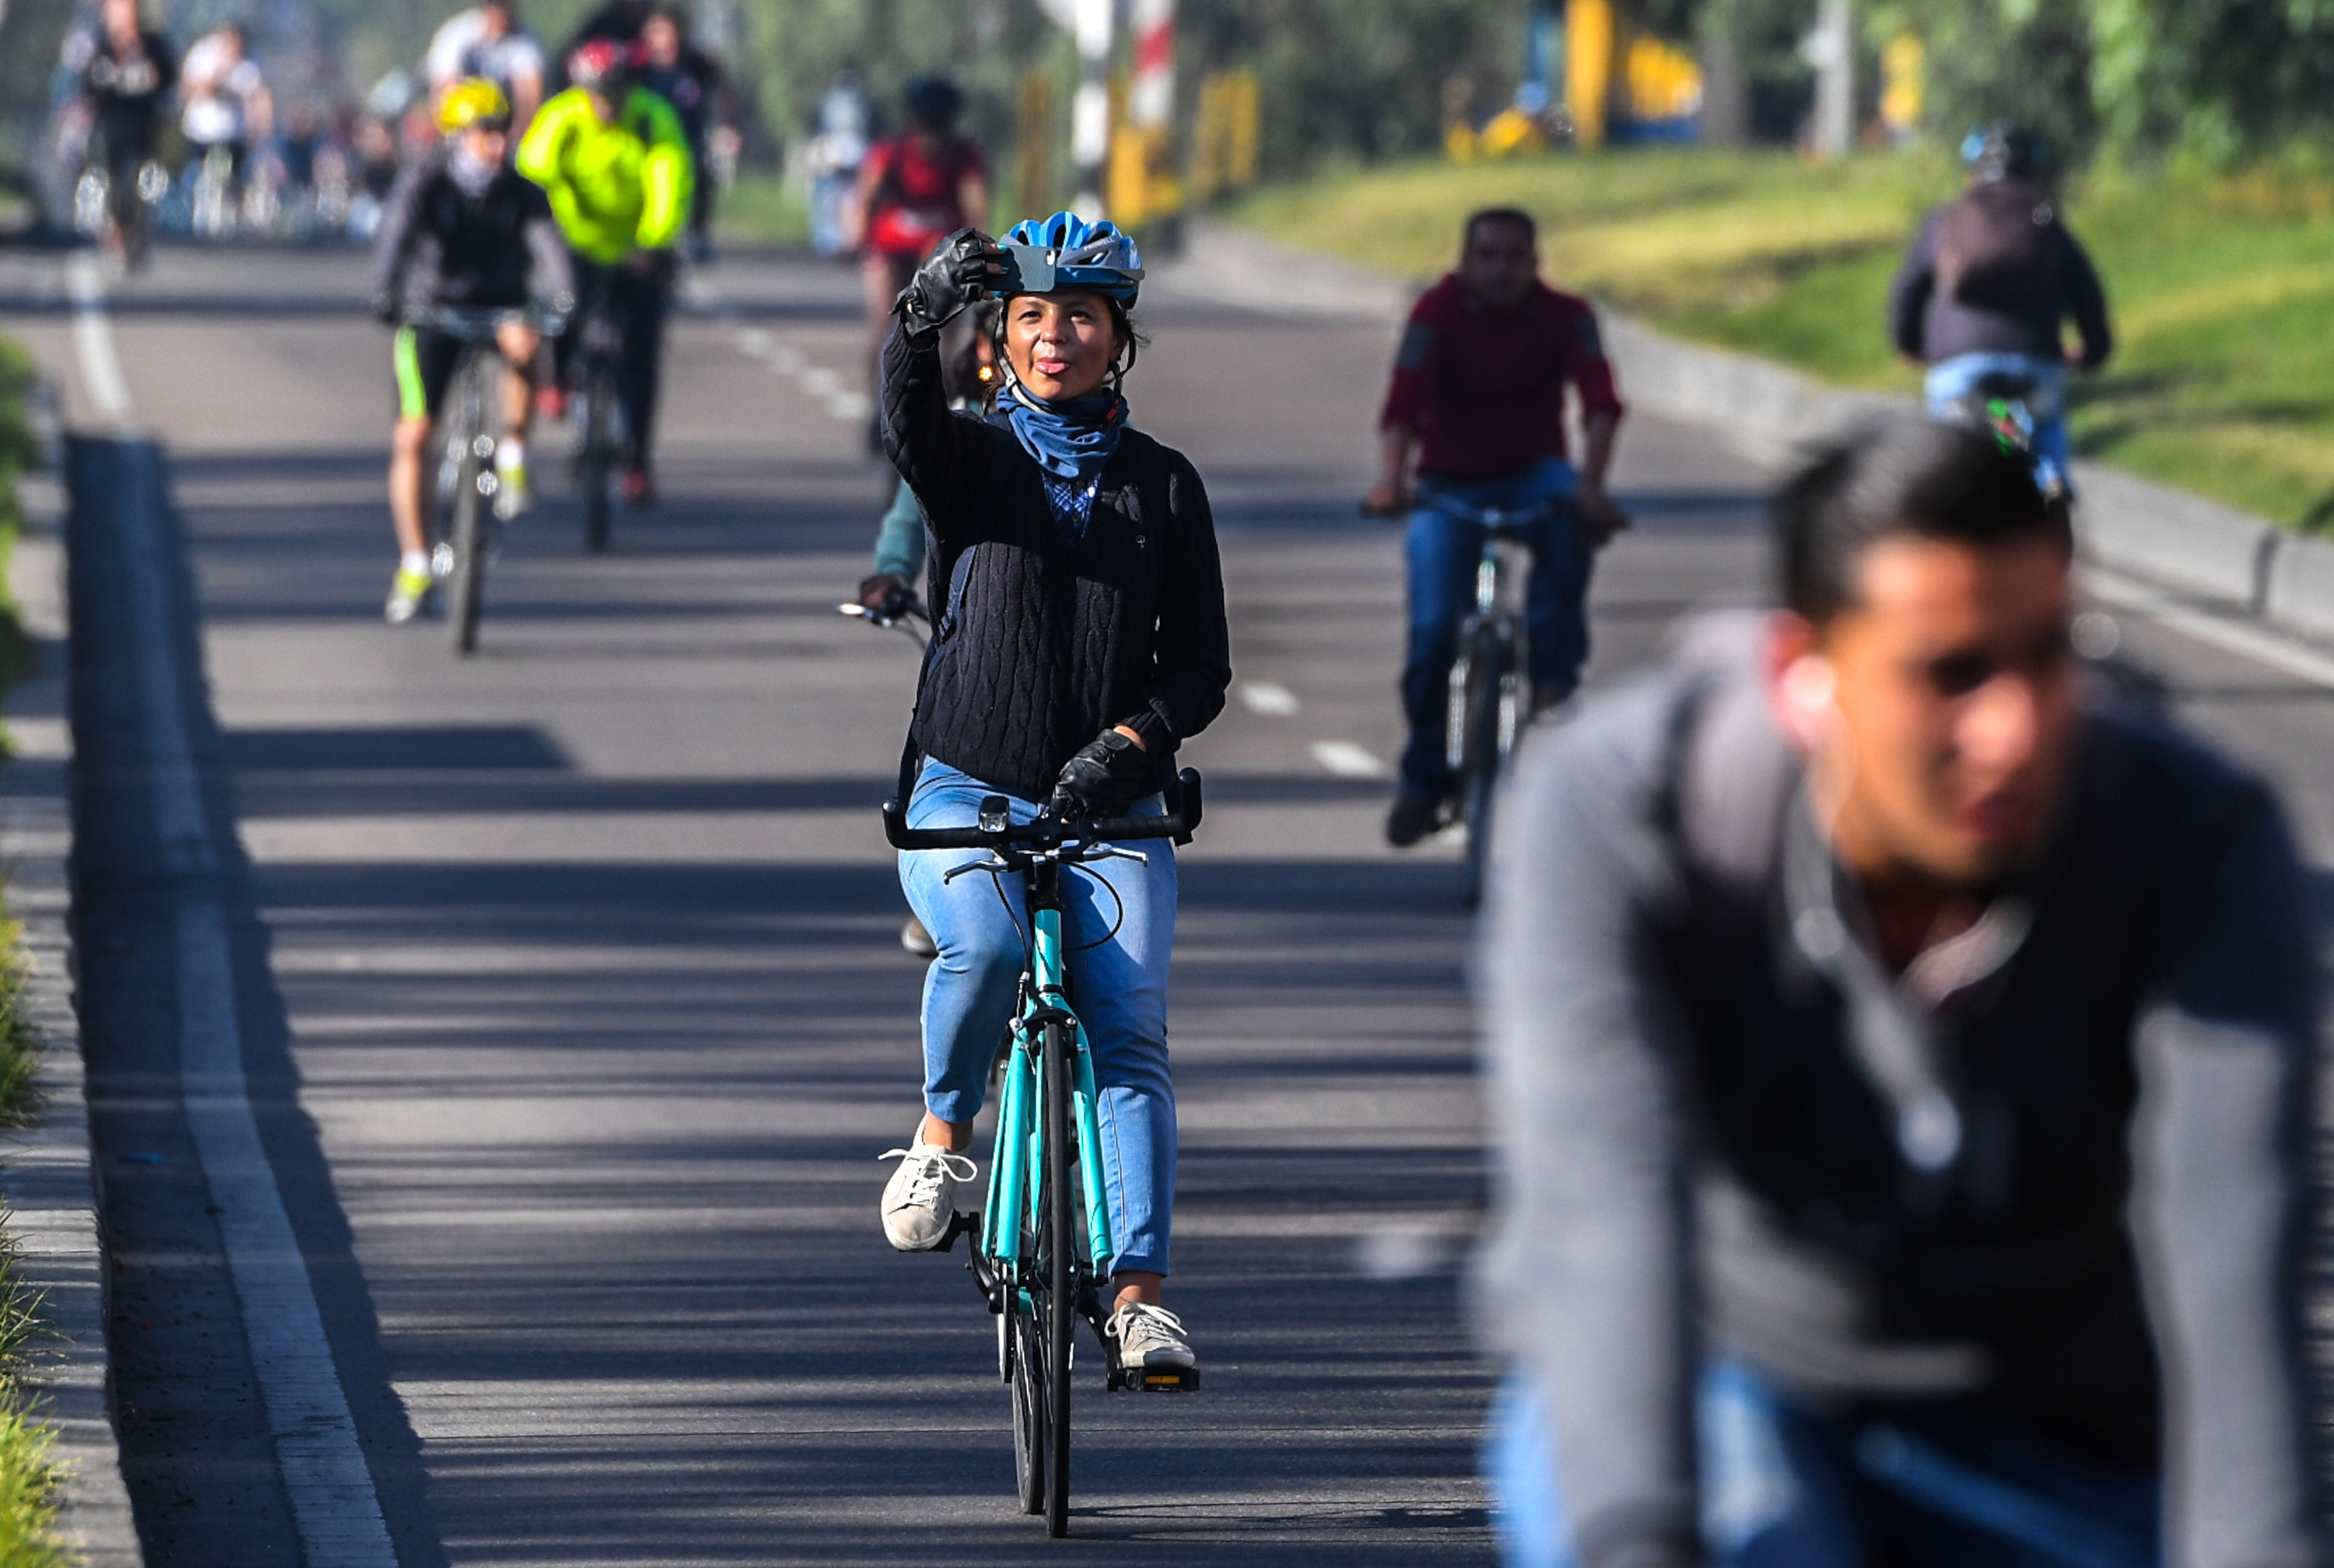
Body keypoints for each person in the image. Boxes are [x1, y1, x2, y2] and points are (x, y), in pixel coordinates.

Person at [1477, 417, 2322, 1568]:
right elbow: (1605, 1209)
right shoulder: (1629, 809)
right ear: (1802, 677)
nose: (2015, 731)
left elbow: (2232, 1250)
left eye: (2048, 656)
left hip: (2057, 1425)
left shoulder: (2196, 836)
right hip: (1737, 1376)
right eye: (1950, 674)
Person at [874, 214, 1229, 1378]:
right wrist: (922, 318)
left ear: (1119, 334)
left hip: (1113, 809)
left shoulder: (1165, 488)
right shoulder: (973, 460)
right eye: (1031, 315)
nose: (1053, 337)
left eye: (1080, 315)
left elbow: (1199, 671)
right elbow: (910, 421)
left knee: (1129, 1031)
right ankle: (941, 1133)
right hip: (965, 786)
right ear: (1006, 333)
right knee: (975, 953)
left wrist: (1130, 744)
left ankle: (1138, 1298)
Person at [1368, 207, 1628, 849]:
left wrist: (1592, 484)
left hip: (1537, 472)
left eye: (1515, 256)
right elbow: (1403, 401)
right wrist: (1391, 479)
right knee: (1431, 633)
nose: (1501, 268)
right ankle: (1425, 781)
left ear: (1536, 263)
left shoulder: (1571, 316)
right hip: (1448, 481)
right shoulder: (1435, 313)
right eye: (1488, 256)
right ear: (1465, 261)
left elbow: (1601, 404)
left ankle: (1551, 678)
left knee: (1569, 528)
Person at [370, 79, 573, 625]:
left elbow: (548, 245)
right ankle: (415, 561)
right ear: (458, 135)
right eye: (485, 132)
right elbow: (396, 234)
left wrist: (563, 294)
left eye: (502, 131)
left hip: (498, 305)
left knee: (524, 339)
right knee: (413, 437)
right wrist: (385, 290)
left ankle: (511, 455)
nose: (497, 144)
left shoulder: (521, 191)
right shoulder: (426, 180)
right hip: (431, 310)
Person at [1889, 127, 2111, 499]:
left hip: (1961, 369)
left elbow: (1908, 291)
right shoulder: (2044, 219)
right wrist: (2094, 350)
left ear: (1971, 172)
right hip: (2034, 365)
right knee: (2040, 426)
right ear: (2032, 173)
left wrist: (1909, 343)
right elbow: (2087, 292)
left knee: (1949, 450)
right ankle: (2050, 477)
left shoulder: (1945, 220)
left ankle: (1949, 498)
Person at [517, 37, 692, 505]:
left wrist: (652, 244)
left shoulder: (652, 118)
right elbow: (534, 172)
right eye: (595, 93)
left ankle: (637, 459)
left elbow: (668, 179)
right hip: (573, 240)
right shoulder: (564, 117)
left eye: (613, 93)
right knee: (562, 301)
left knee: (642, 352)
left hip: (635, 245)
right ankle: (558, 378)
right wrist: (541, 230)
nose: (604, 104)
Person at [850, 76, 987, 450]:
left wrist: (976, 248)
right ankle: (877, 410)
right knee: (884, 325)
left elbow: (975, 204)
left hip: (939, 250)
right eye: (927, 128)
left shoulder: (963, 156)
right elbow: (864, 197)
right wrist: (856, 239)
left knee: (946, 333)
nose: (933, 139)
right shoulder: (891, 152)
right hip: (890, 249)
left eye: (939, 129)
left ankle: (938, 409)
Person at [67, 0, 176, 264]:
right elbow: (84, 85)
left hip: (143, 126)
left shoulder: (153, 45)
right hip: (108, 125)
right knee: (111, 183)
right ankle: (115, 236)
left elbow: (169, 78)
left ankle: (135, 230)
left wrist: (151, 77)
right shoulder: (97, 44)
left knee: (137, 183)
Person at [633, 7, 727, 258]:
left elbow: (723, 93)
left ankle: (696, 232)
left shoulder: (696, 65)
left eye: (667, 32)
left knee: (701, 177)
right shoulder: (636, 68)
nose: (661, 39)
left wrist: (729, 127)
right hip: (648, 143)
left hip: (687, 139)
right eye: (654, 32)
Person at [179, 21, 272, 219]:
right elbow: (190, 88)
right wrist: (219, 74)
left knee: (234, 178)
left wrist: (261, 128)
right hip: (202, 132)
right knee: (199, 176)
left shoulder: (250, 61)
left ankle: (230, 217)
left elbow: (260, 95)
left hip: (233, 135)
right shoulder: (204, 54)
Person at [424, 0, 547, 132]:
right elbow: (442, 88)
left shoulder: (525, 41)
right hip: (465, 119)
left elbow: (531, 95)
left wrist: (517, 135)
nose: (499, 13)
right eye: (494, 6)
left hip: (504, 118)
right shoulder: (457, 33)